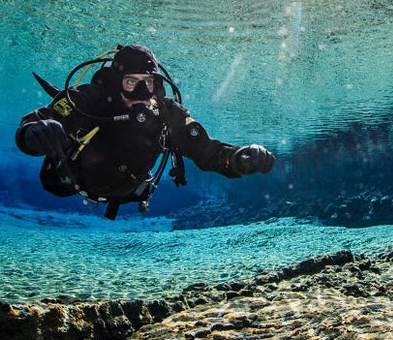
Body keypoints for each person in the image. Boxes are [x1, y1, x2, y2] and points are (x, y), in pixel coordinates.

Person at [15, 44, 275, 219]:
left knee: (130, 191)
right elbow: (39, 119)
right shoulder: (88, 99)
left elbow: (207, 152)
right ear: (117, 82)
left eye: (147, 83)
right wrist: (33, 133)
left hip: (128, 191)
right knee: (53, 184)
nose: (141, 94)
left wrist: (239, 158)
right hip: (70, 182)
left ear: (157, 84)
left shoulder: (166, 113)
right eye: (131, 82)